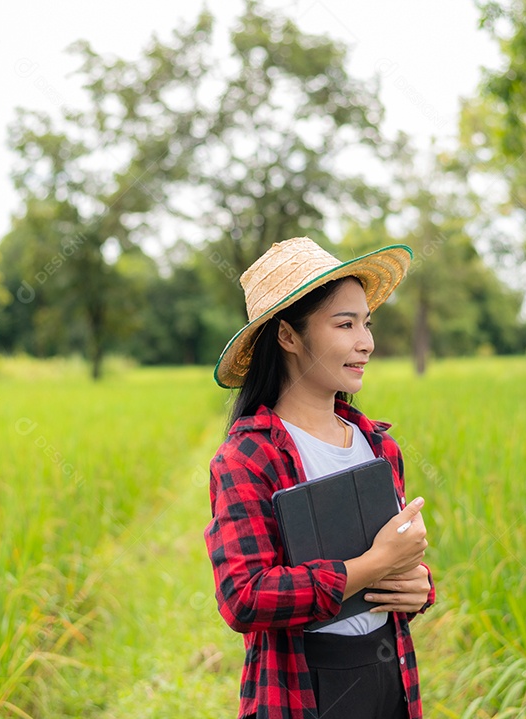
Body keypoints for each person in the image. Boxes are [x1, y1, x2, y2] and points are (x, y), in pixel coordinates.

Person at [204, 237, 437, 719]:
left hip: (389, 677)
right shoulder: (249, 457)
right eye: (345, 324)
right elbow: (244, 597)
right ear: (288, 336)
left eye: (366, 323)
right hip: (301, 688)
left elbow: (395, 568)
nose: (366, 342)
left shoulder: (379, 447)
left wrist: (418, 587)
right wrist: (370, 567)